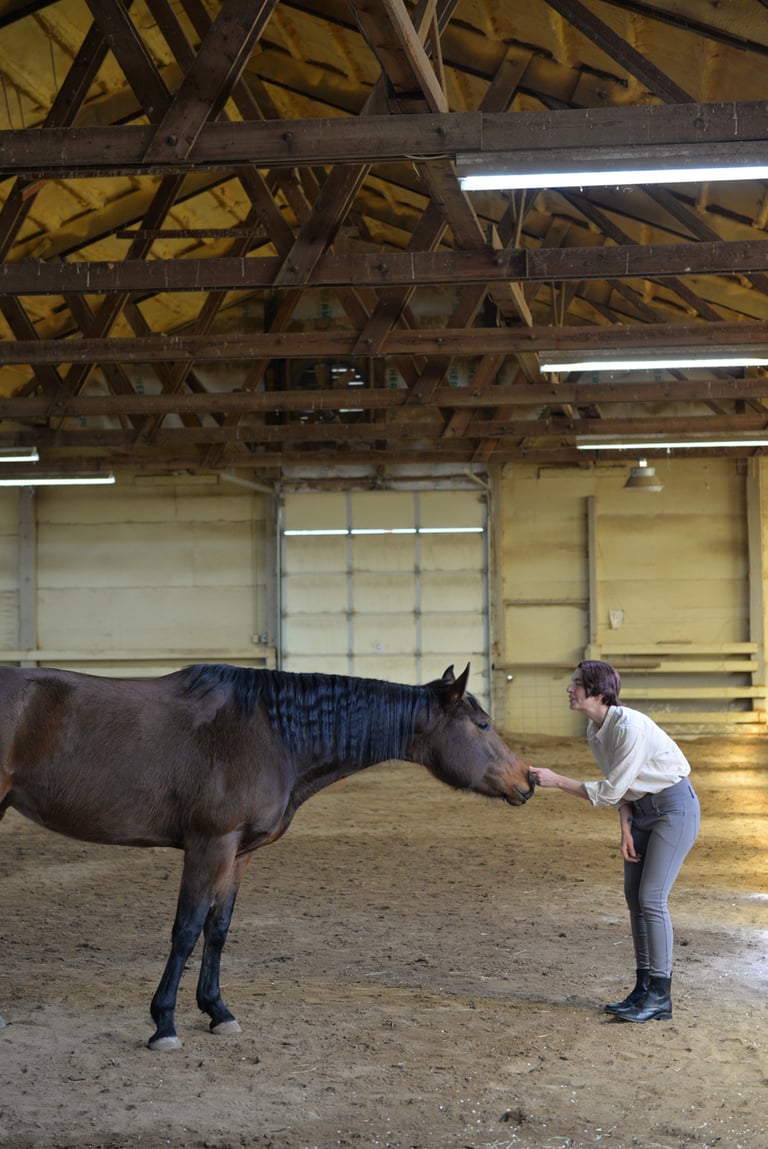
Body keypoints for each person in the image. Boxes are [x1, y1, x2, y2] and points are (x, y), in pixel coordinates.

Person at [529, 660, 700, 1023]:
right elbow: (620, 791)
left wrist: (557, 781)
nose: (569, 689)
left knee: (652, 898)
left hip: (674, 810)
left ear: (599, 693)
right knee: (634, 900)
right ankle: (642, 989)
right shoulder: (596, 731)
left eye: (576, 683)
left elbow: (608, 790)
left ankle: (661, 996)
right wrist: (626, 826)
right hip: (639, 812)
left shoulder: (629, 727)